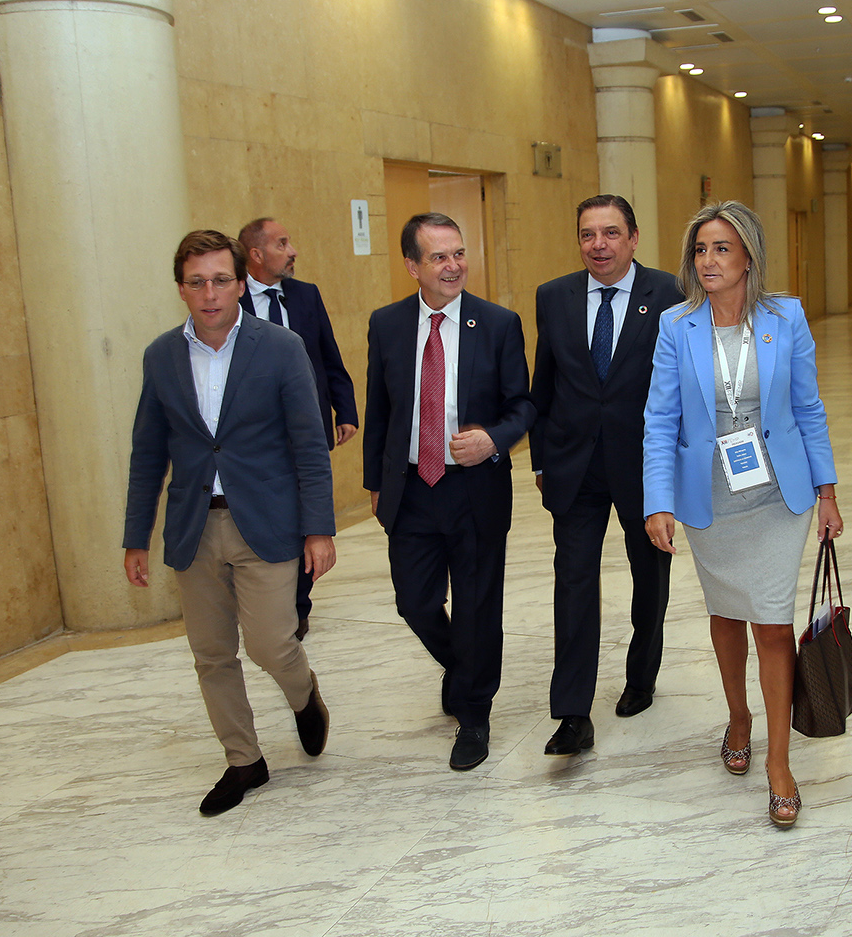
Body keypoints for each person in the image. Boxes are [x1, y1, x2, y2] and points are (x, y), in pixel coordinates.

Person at [643, 201, 842, 829]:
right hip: (711, 500)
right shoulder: (678, 325)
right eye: (701, 249)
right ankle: (738, 714)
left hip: (778, 495)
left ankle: (780, 764)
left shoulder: (786, 317)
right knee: (726, 612)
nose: (708, 260)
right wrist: (659, 500)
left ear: (748, 256)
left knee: (774, 625)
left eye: (722, 248)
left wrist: (828, 492)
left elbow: (809, 409)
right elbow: (660, 420)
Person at [123, 230, 335, 816]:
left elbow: (308, 444)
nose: (210, 293)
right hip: (195, 526)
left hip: (266, 521)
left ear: (241, 283)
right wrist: (135, 537)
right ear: (181, 288)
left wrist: (319, 528)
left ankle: (304, 695)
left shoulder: (281, 347)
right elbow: (148, 453)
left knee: (272, 642)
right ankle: (244, 759)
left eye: (221, 279)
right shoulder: (162, 356)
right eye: (197, 282)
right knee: (212, 653)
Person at [363, 213, 535, 771]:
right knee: (414, 601)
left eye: (458, 253)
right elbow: (381, 410)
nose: (454, 265)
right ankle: (463, 671)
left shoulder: (498, 323)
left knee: (478, 606)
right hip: (412, 488)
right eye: (439, 257)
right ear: (412, 266)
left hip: (475, 488)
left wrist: (492, 439)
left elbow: (524, 406)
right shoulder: (387, 325)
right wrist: (375, 483)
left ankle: (475, 713)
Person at [530, 194, 683, 756]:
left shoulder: (668, 294)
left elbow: (683, 387)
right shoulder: (554, 296)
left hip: (646, 467)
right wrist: (542, 458)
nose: (599, 244)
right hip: (574, 467)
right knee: (572, 582)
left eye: (611, 233)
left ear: (634, 238)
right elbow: (543, 386)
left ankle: (642, 674)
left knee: (651, 575)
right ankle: (572, 713)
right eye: (588, 234)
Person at [238, 217, 359, 641]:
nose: (292, 251)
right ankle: (269, 595)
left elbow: (329, 354)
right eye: (282, 243)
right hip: (254, 436)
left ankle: (298, 604)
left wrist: (345, 409)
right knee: (273, 516)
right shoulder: (232, 301)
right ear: (256, 254)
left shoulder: (305, 295)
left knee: (308, 512)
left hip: (305, 426)